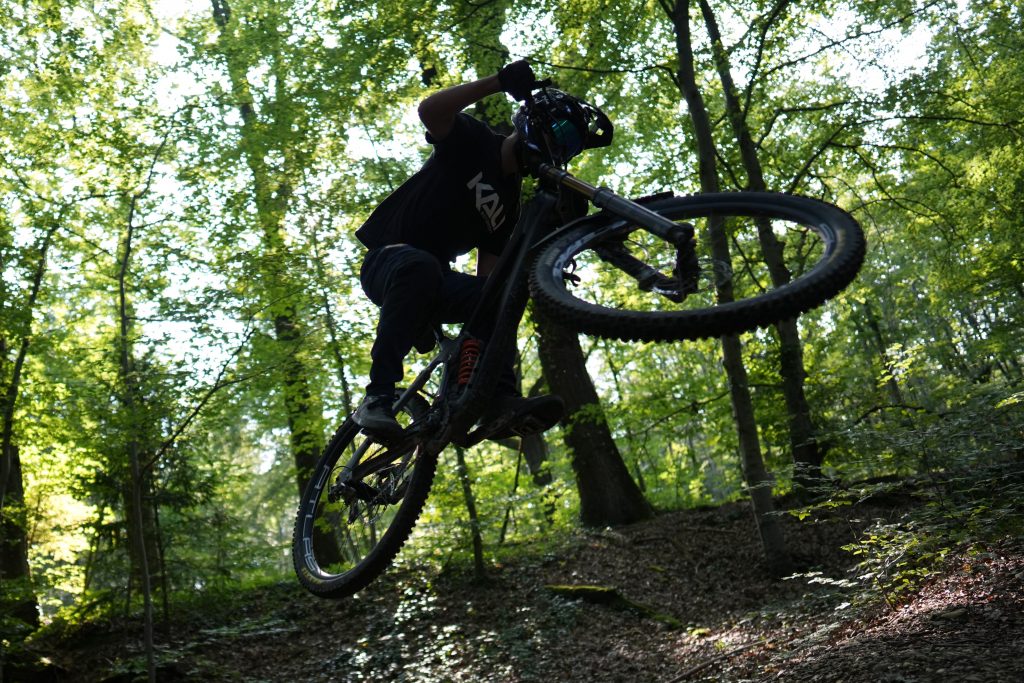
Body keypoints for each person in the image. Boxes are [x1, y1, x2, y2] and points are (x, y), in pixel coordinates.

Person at [352, 60, 600, 440]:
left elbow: (488, 289)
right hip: (389, 260)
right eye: (558, 133)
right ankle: (378, 395)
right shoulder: (474, 140)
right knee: (421, 266)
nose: (558, 145)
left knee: (498, 301)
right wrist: (498, 82)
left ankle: (495, 400)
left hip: (432, 280)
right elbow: (430, 111)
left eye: (568, 145)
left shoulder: (510, 207)